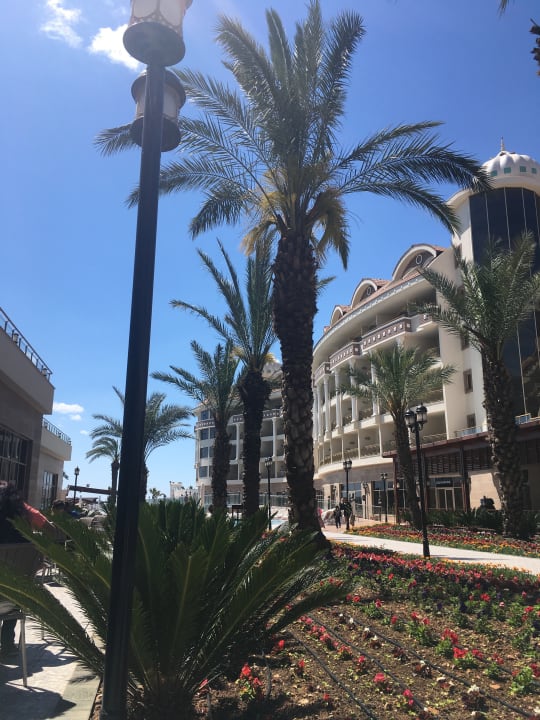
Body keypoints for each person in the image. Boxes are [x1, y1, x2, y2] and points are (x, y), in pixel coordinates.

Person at [0, 485, 53, 658]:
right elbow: (50, 529)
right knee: (18, 588)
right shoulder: (26, 513)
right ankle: (7, 644)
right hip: (12, 601)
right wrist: (40, 554)